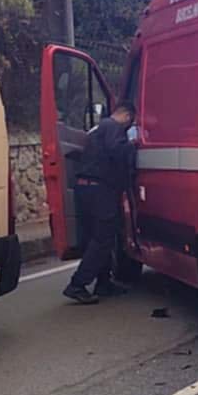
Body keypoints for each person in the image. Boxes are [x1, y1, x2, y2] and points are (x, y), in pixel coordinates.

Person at [64, 100, 136, 306]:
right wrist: (133, 146)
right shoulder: (113, 127)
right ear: (127, 116)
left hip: (86, 189)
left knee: (98, 237)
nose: (129, 127)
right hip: (99, 190)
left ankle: (103, 283)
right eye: (131, 123)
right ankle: (78, 284)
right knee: (103, 238)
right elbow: (117, 150)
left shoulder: (99, 129)